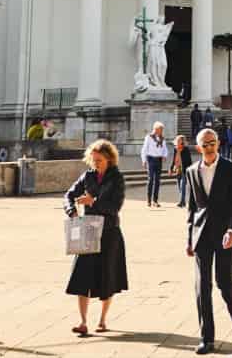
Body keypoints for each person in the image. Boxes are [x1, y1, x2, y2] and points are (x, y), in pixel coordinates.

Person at [184, 128, 232, 354]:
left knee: (224, 282)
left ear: (218, 144)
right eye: (204, 144)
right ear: (198, 147)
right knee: (202, 286)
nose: (209, 148)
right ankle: (206, 337)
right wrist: (189, 237)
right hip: (201, 235)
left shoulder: (231, 168)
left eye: (212, 143)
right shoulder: (191, 171)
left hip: (225, 235)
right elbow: (192, 207)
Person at [65, 139, 128, 336]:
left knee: (107, 277)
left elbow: (115, 207)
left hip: (109, 232)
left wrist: (93, 201)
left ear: (109, 159)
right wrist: (71, 210)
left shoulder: (117, 178)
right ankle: (83, 322)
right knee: (81, 276)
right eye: (93, 160)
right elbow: (69, 194)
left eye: (99, 160)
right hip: (88, 230)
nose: (96, 164)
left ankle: (102, 320)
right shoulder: (88, 176)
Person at [141, 122, 171, 207]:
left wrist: (165, 155)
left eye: (162, 129)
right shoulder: (149, 137)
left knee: (157, 181)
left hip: (159, 160)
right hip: (151, 159)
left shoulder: (162, 138)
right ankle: (148, 200)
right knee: (151, 180)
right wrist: (144, 160)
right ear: (156, 129)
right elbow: (144, 149)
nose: (162, 131)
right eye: (161, 129)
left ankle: (155, 200)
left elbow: (165, 149)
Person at [172, 134, 194, 207]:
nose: (179, 142)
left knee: (182, 186)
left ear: (183, 142)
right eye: (178, 141)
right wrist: (171, 168)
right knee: (179, 186)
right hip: (178, 170)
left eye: (180, 141)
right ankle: (183, 201)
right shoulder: (175, 149)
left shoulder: (186, 149)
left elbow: (189, 161)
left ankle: (181, 202)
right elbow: (174, 160)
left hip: (185, 170)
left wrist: (190, 170)